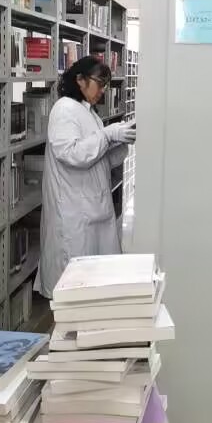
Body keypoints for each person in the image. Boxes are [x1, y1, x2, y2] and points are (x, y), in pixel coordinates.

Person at [35, 56, 136, 299]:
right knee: (73, 291)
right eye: (99, 83)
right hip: (74, 215)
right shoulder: (64, 109)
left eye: (106, 85)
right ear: (80, 80)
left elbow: (98, 160)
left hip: (93, 209)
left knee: (94, 290)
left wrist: (121, 141)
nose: (103, 91)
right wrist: (108, 135)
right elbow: (71, 153)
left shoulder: (88, 113)